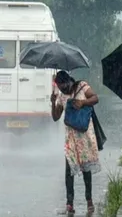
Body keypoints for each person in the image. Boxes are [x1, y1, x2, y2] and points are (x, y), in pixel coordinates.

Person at [51, 70, 100, 214]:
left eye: (65, 86)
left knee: (86, 169)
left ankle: (89, 201)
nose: (63, 89)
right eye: (60, 87)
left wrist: (83, 102)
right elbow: (55, 117)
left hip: (84, 136)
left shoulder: (82, 87)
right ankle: (69, 204)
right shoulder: (61, 97)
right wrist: (53, 103)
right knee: (69, 171)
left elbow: (95, 98)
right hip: (70, 139)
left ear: (69, 81)